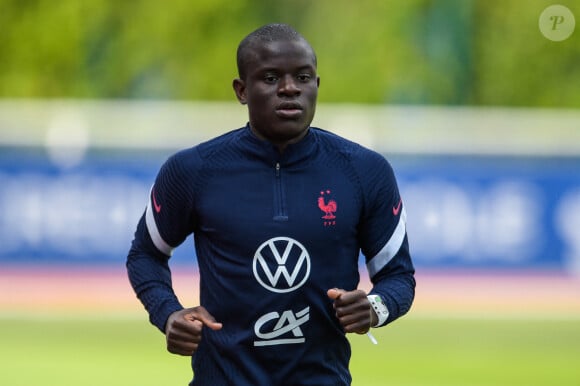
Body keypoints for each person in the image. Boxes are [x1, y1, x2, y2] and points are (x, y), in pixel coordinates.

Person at [127, 23, 415, 386]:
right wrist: (167, 314)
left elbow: (399, 278)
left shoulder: (364, 171)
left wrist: (374, 308)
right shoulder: (193, 171)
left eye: (303, 76)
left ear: (317, 86)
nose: (290, 88)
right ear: (241, 90)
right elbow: (145, 255)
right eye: (271, 77)